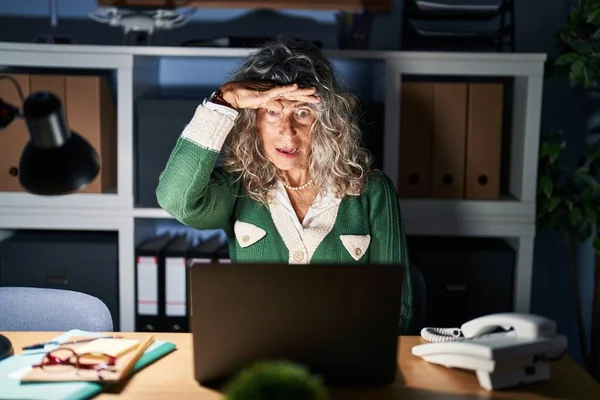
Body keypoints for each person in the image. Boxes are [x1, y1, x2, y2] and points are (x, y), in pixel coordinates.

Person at [156, 34, 414, 333]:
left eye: (302, 113)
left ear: (328, 122)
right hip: (259, 359)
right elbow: (176, 200)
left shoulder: (372, 191)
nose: (287, 132)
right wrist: (225, 101)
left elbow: (397, 305)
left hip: (344, 366)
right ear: (253, 121)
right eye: (272, 112)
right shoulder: (239, 185)